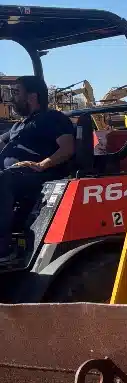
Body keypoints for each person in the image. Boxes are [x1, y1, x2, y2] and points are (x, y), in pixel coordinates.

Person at [0, 76, 75, 263]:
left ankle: (3, 248)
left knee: (2, 180)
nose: (13, 98)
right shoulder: (19, 125)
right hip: (14, 175)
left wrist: (42, 165)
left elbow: (67, 148)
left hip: (38, 175)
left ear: (32, 97)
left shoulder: (52, 118)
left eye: (17, 92)